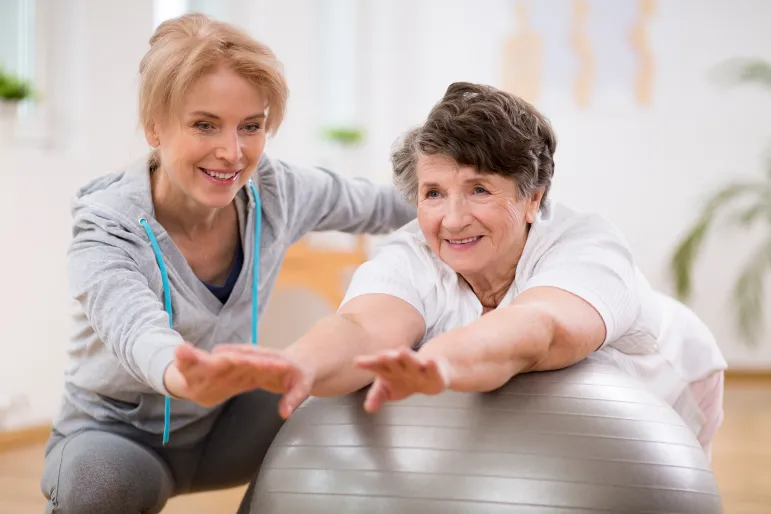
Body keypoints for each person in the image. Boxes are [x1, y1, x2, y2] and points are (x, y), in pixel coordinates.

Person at [190, 82, 727, 477]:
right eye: (433, 193)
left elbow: (538, 330)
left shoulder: (587, 247)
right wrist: (296, 363)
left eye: (479, 190)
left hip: (667, 390)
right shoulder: (411, 251)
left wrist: (439, 361)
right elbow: (362, 327)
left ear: (533, 197)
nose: (452, 219)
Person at [40, 13, 415, 514]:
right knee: (99, 484)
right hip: (118, 441)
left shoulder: (278, 192)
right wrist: (181, 371)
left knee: (344, 386)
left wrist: (478, 210)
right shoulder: (108, 225)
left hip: (225, 428)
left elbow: (387, 205)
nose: (232, 153)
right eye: (204, 125)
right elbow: (134, 329)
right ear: (155, 126)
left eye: (251, 127)